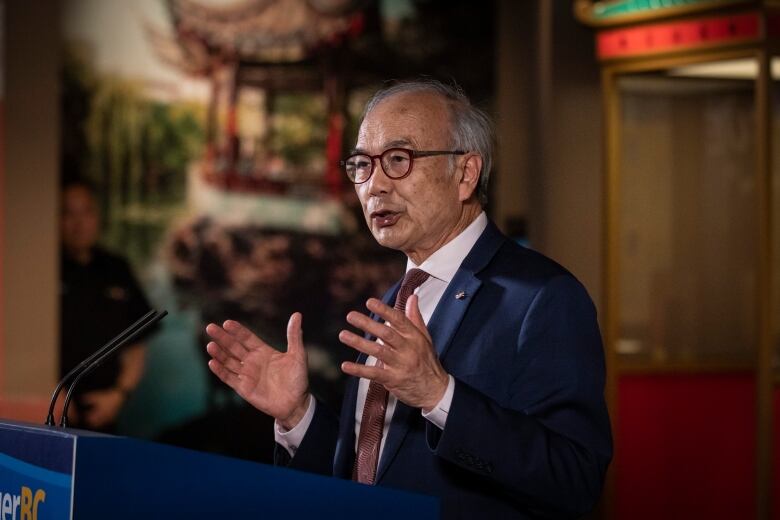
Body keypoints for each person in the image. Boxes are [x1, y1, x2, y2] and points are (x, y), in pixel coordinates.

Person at [205, 80, 612, 518]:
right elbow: (367, 481)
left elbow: (576, 478)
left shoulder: (542, 298)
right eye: (362, 164)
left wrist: (439, 394)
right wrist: (298, 416)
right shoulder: (392, 299)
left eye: (398, 160)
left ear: (465, 174)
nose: (374, 185)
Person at [60, 179, 150, 433]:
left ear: (96, 217)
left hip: (107, 411)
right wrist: (52, 394)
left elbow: (137, 345)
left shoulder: (117, 268)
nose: (78, 224)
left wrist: (118, 395)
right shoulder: (42, 270)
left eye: (86, 212)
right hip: (53, 409)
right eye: (68, 213)